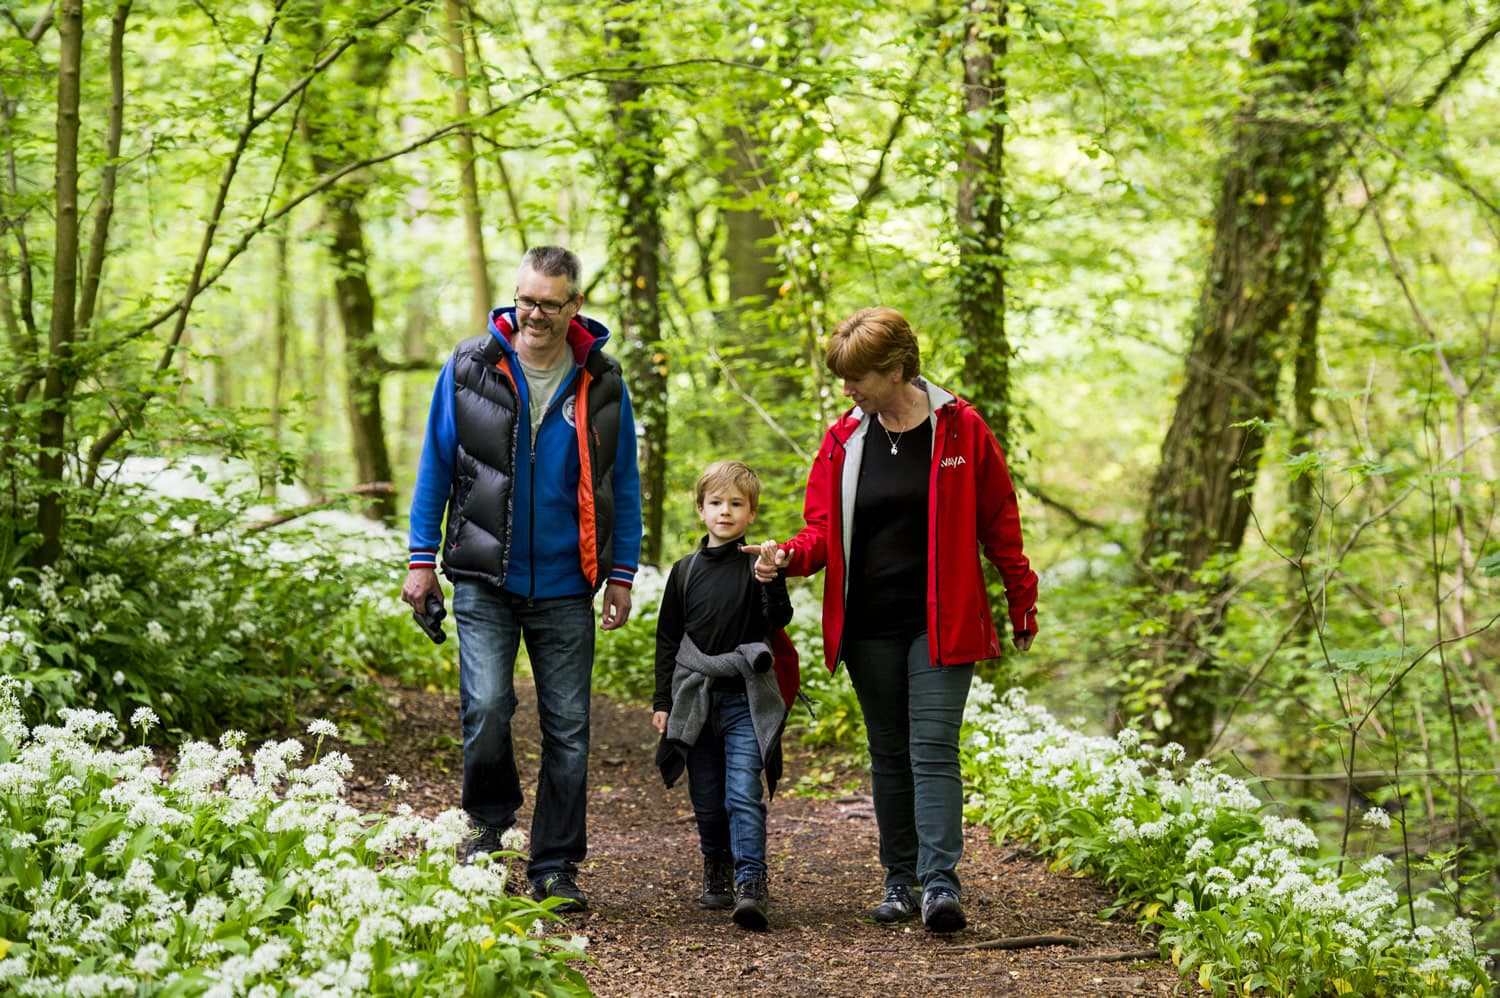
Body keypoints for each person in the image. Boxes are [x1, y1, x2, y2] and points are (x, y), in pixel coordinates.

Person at [751, 306, 1037, 934]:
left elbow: (1000, 520)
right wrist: (788, 557)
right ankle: (899, 880)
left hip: (944, 622)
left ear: (897, 369)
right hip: (868, 624)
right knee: (888, 751)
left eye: (857, 378)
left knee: (932, 749)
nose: (847, 390)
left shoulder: (960, 429)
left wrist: (1022, 597)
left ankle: (940, 885)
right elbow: (821, 531)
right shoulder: (842, 440)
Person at [401, 246, 643, 914]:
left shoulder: (603, 380)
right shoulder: (469, 366)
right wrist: (421, 561)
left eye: (549, 304)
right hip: (484, 574)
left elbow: (623, 481)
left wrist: (621, 573)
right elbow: (436, 465)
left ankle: (555, 865)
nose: (534, 314)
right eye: (525, 300)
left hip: (567, 581)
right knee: (485, 707)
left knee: (569, 730)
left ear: (575, 306)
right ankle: (487, 828)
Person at [652, 461, 798, 931]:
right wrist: (662, 702)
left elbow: (777, 620)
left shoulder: (758, 568)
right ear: (701, 510)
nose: (725, 511)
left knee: (742, 793)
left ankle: (751, 880)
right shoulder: (684, 572)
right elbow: (669, 641)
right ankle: (716, 863)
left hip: (745, 700)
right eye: (716, 503)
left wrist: (773, 577)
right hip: (696, 700)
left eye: (736, 504)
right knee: (707, 797)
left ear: (751, 513)